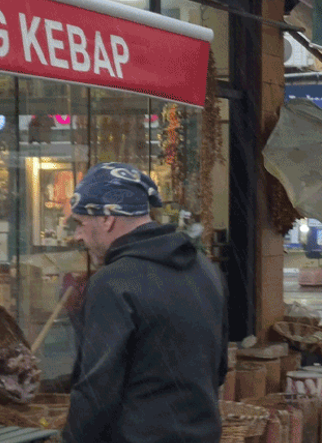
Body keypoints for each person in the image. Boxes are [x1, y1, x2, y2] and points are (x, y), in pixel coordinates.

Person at [62, 162, 229, 443]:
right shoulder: (205, 270)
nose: (77, 235)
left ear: (107, 218)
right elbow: (219, 368)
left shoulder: (112, 282)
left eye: (81, 223)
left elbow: (96, 392)